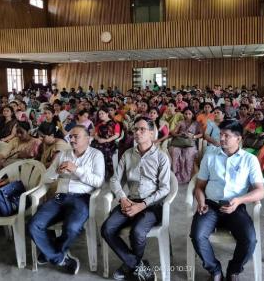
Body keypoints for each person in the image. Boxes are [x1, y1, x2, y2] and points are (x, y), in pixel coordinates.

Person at [190, 120, 264, 281]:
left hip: (235, 207)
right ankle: (215, 270)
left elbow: (260, 191)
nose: (222, 138)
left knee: (250, 239)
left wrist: (239, 201)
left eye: (227, 136)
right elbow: (199, 187)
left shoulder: (249, 160)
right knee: (197, 235)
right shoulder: (210, 156)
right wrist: (201, 202)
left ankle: (234, 270)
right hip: (210, 206)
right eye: (220, 134)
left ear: (238, 139)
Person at [101, 117, 171, 281]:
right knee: (107, 229)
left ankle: (129, 265)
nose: (137, 133)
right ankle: (137, 265)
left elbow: (165, 188)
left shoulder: (161, 157)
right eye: (135, 130)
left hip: (151, 204)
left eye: (142, 129)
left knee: (137, 232)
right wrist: (123, 198)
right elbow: (114, 180)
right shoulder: (127, 154)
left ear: (152, 133)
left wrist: (143, 205)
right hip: (130, 200)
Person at [29, 125, 105, 275]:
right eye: (71, 136)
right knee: (33, 225)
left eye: (76, 136)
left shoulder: (96, 155)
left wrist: (76, 169)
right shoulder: (63, 154)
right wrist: (56, 172)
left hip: (81, 198)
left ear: (87, 139)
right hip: (60, 197)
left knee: (72, 228)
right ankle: (60, 258)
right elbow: (46, 178)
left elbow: (99, 182)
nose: (72, 139)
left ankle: (52, 251)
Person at [169, 108, 203, 184]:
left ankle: (187, 177)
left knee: (188, 154)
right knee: (175, 151)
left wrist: (193, 136)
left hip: (190, 143)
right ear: (183, 114)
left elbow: (201, 134)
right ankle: (175, 176)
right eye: (186, 114)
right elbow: (173, 133)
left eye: (189, 114)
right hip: (179, 142)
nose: (187, 115)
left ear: (193, 114)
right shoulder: (180, 122)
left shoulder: (197, 123)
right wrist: (179, 134)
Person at [91, 107, 121, 180]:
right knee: (92, 148)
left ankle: (106, 171)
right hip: (99, 141)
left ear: (107, 114)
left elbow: (116, 135)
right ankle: (95, 170)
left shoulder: (114, 123)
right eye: (99, 114)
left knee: (103, 149)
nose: (100, 115)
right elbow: (95, 134)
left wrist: (106, 140)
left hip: (110, 142)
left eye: (102, 113)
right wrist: (98, 139)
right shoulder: (99, 124)